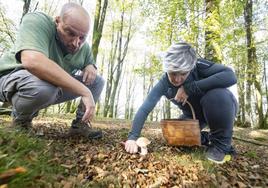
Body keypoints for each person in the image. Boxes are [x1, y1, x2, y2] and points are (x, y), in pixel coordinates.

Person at [0, 3, 104, 139]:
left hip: (48, 87)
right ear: (57, 21)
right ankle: (21, 124)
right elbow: (33, 61)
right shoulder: (38, 21)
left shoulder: (83, 47)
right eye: (70, 33)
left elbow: (89, 63)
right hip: (10, 77)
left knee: (97, 81)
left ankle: (80, 126)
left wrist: (91, 66)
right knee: (45, 87)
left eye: (82, 37)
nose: (75, 43)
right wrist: (84, 91)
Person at [125, 42, 238, 164]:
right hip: (193, 117)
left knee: (216, 95)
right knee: (176, 135)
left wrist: (190, 88)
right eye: (173, 73)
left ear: (191, 68)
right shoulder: (163, 84)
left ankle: (221, 145)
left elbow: (230, 76)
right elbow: (144, 109)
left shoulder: (198, 66)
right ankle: (206, 138)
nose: (177, 79)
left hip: (219, 107)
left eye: (183, 74)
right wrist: (132, 138)